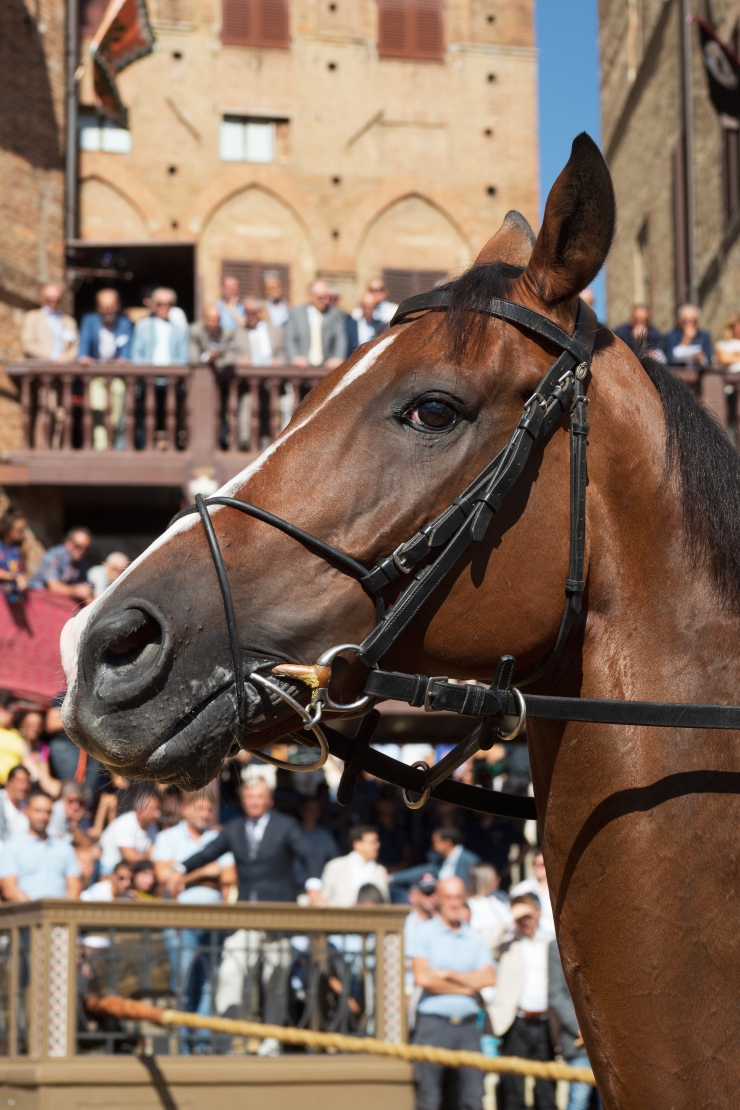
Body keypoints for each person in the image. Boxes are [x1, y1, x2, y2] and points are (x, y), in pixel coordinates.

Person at [408, 876, 496, 1110]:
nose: (454, 903)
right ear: (438, 899)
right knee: (429, 1097)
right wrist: (467, 987)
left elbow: (489, 978)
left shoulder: (474, 937)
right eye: (449, 897)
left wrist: (447, 974)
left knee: (472, 1097)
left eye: (458, 897)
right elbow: (423, 978)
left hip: (468, 1027)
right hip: (433, 1025)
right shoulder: (424, 933)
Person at [172, 778, 319, 902]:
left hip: (278, 904)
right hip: (246, 903)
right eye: (249, 796)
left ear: (269, 800)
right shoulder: (234, 828)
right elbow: (207, 853)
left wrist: (313, 884)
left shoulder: (286, 826)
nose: (253, 802)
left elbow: (309, 855)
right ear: (242, 800)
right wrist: (181, 868)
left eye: (259, 797)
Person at [490, 894, 556, 1110]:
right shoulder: (508, 944)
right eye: (520, 917)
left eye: (528, 915)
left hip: (545, 1023)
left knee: (546, 1088)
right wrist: (511, 916)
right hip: (516, 1022)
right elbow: (486, 945)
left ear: (538, 912)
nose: (524, 921)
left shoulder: (550, 942)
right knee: (513, 1087)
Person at [153, 792, 235, 905]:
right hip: (176, 909)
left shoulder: (219, 839)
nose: (205, 814)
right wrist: (205, 872)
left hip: (213, 910)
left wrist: (180, 876)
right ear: (185, 809)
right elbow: (162, 875)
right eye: (200, 809)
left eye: (209, 810)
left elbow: (230, 877)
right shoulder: (167, 836)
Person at [0, 792, 81, 900]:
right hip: (26, 908)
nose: (43, 816)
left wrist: (62, 909)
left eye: (48, 812)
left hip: (60, 908)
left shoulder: (64, 848)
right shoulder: (12, 847)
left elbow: (74, 887)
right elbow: (9, 888)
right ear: (26, 811)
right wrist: (33, 908)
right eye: (38, 811)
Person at [548, 941, 600, 1110]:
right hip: (578, 1041)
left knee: (610, 1099)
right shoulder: (557, 946)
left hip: (609, 1041)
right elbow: (556, 995)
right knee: (579, 1098)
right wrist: (581, 1026)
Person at [313, 825, 390, 907]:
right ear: (358, 845)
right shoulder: (335, 866)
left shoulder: (380, 871)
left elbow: (385, 903)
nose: (377, 846)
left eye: (377, 842)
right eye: (372, 842)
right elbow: (323, 898)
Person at [390, 828, 480, 897]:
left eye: (436, 842)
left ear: (447, 843)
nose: (433, 847)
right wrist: (392, 878)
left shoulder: (470, 861)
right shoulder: (441, 861)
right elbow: (421, 870)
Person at [98, 784, 162, 875]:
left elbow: (153, 851)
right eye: (153, 810)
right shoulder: (125, 823)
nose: (158, 814)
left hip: (133, 868)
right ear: (140, 810)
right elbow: (130, 856)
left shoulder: (152, 826)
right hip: (111, 869)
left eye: (158, 809)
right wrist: (149, 857)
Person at [45, 692, 99, 796]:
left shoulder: (96, 695)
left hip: (91, 749)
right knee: (71, 789)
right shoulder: (64, 696)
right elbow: (51, 724)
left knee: (88, 792)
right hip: (67, 745)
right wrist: (80, 719)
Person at [285, 279, 348, 370]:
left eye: (328, 298)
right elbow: (290, 338)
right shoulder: (296, 313)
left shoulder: (334, 314)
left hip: (326, 368)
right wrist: (295, 357)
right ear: (310, 296)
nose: (326, 301)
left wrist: (337, 357)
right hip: (301, 369)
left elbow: (340, 338)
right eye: (321, 298)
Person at [27, 527, 93, 603]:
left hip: (62, 599)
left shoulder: (83, 562)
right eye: (78, 546)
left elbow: (83, 584)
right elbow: (54, 586)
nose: (82, 551)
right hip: (37, 597)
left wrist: (87, 589)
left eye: (86, 549)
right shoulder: (54, 555)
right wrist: (77, 591)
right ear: (68, 542)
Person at [21, 283, 78, 362]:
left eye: (57, 299)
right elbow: (28, 344)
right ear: (43, 298)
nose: (53, 301)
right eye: (49, 298)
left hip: (65, 365)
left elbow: (75, 346)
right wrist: (53, 356)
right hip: (40, 365)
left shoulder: (70, 321)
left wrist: (66, 358)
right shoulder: (32, 317)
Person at [131, 287, 189, 365]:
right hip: (147, 371)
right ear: (153, 305)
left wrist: (175, 365)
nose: (164, 307)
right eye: (160, 304)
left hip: (172, 371)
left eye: (169, 304)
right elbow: (135, 355)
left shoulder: (180, 331)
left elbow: (184, 357)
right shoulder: (141, 327)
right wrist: (143, 365)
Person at [78, 288, 133, 362]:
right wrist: (84, 357)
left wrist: (123, 358)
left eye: (111, 307)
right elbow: (84, 344)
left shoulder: (124, 324)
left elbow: (126, 348)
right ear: (98, 307)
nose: (108, 311)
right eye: (104, 308)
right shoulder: (89, 321)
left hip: (116, 367)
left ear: (118, 306)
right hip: (94, 366)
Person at [294, 796, 339, 888]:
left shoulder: (325, 836)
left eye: (316, 809)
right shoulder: (291, 832)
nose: (312, 812)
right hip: (292, 885)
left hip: (318, 885)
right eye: (309, 809)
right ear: (302, 810)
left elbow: (335, 860)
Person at [466, 863, 512, 950]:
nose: (498, 879)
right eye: (494, 877)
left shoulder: (499, 898)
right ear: (484, 881)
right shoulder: (471, 905)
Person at [510, 850, 555, 938]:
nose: (538, 868)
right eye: (535, 864)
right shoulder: (521, 889)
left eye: (542, 864)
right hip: (528, 938)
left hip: (553, 939)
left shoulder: (556, 892)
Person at [233, 297, 286, 366]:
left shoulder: (276, 331)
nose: (250, 316)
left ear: (261, 312)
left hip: (271, 371)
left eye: (253, 312)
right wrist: (239, 360)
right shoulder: (239, 332)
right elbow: (233, 354)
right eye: (247, 313)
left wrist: (278, 362)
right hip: (249, 371)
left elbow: (283, 353)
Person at [189, 304, 236, 372]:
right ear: (204, 319)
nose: (213, 324)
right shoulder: (195, 331)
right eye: (210, 320)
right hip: (200, 372)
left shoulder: (227, 334)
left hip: (222, 373)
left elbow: (231, 358)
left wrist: (217, 360)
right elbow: (194, 358)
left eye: (216, 320)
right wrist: (207, 357)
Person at [0, 510, 28, 603]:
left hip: (14, 597)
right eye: (19, 529)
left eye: (23, 530)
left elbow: (21, 570)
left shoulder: (17, 549)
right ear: (8, 528)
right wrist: (14, 577)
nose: (22, 533)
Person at [0, 695, 27, 786]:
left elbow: (26, 760)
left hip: (12, 786)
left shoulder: (18, 734)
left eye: (16, 713)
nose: (14, 716)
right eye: (12, 712)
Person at [0, 765, 31, 838]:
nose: (24, 786)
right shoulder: (1, 801)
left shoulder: (28, 803)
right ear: (9, 783)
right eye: (19, 782)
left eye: (27, 782)